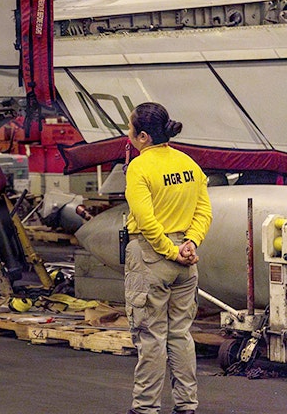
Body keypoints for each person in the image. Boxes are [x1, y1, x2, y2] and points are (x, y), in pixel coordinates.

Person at [123, 102, 211, 414]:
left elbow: (146, 221)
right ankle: (186, 405)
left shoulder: (140, 167)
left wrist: (170, 251)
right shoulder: (188, 164)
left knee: (151, 336)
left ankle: (145, 407)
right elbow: (203, 210)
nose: (128, 133)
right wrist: (190, 243)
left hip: (151, 257)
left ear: (143, 136)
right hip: (186, 260)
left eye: (130, 128)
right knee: (180, 335)